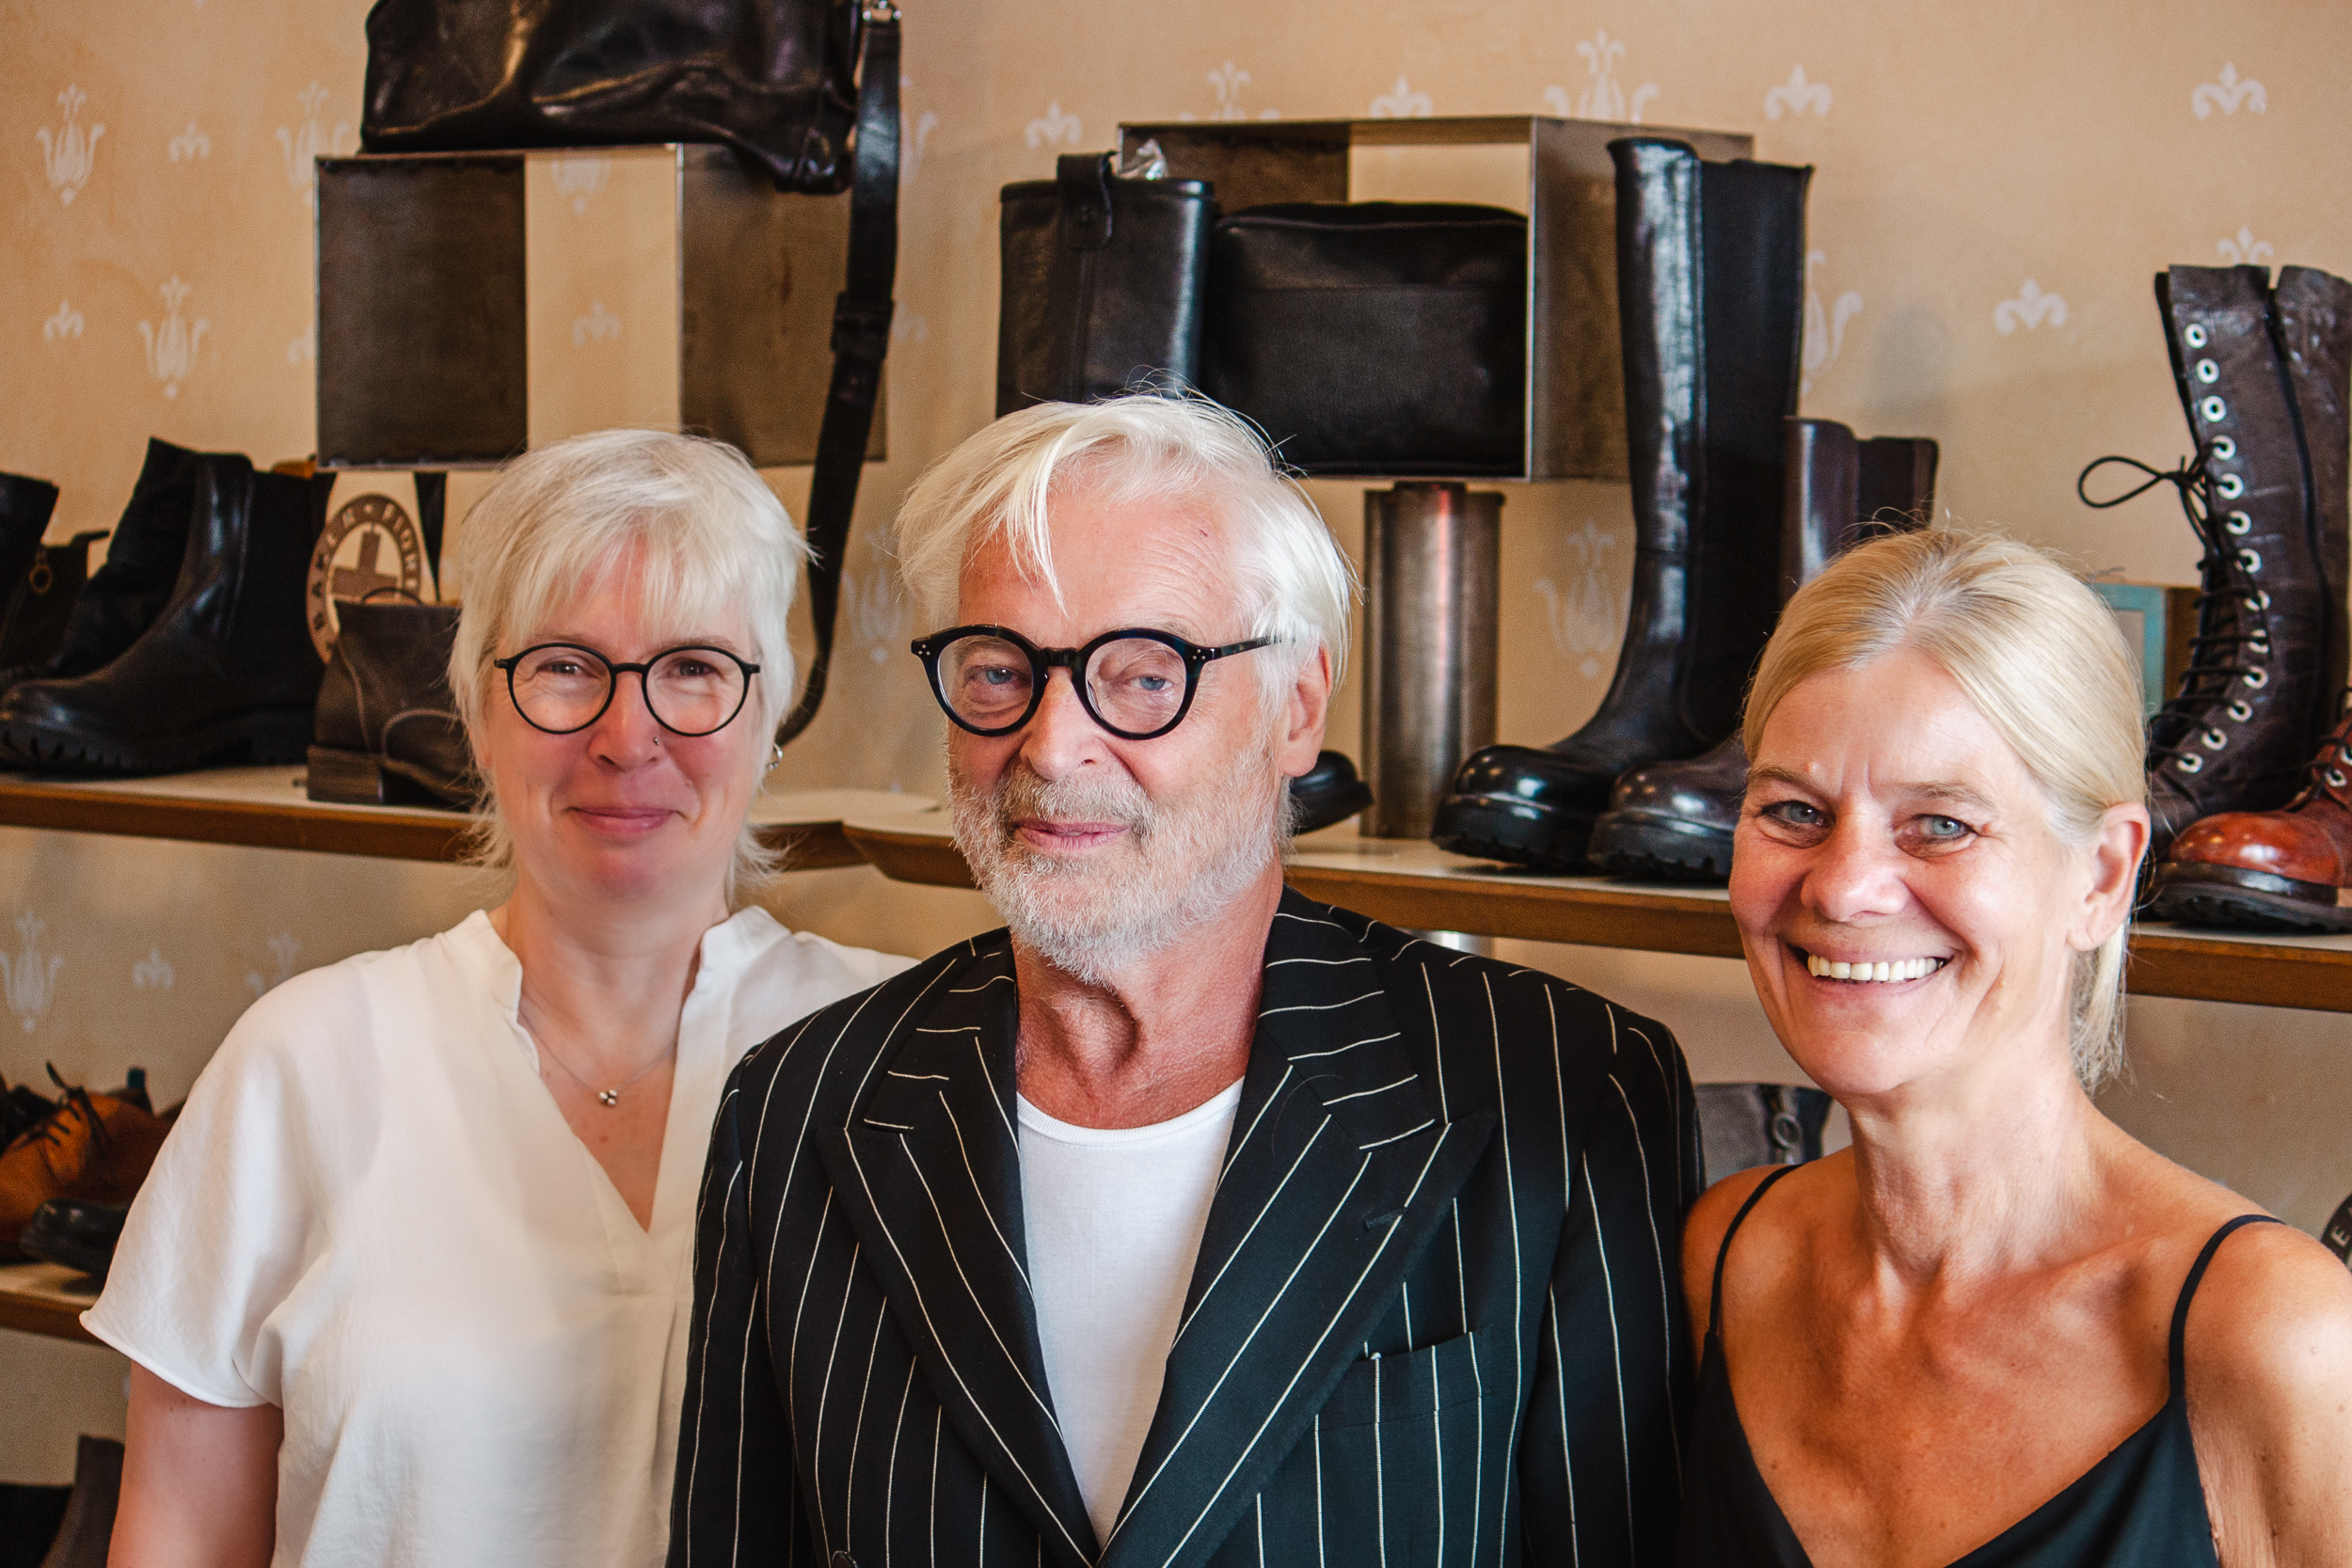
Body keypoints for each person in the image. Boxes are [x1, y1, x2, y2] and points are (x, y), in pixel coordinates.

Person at [672, 395, 1700, 1568]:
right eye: (1000, 668)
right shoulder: (798, 1106)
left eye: (1145, 674)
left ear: (1296, 708)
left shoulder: (1564, 1090)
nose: (1051, 743)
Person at [88, 430, 914, 1568]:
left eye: (692, 668)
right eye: (566, 666)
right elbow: (177, 1539)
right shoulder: (303, 1063)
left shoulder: (897, 1055)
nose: (628, 737)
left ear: (765, 718)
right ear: (478, 715)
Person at [1682, 529, 2352, 1566]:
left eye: (1941, 823)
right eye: (1795, 812)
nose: (1843, 886)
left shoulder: (2276, 1333)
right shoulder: (1725, 1259)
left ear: (2101, 876)